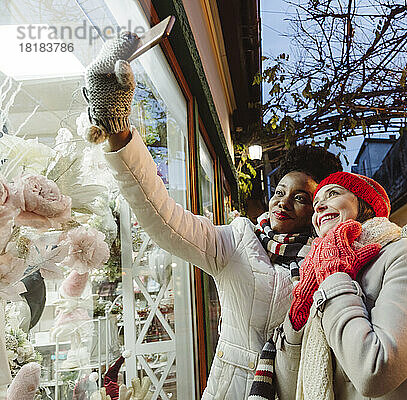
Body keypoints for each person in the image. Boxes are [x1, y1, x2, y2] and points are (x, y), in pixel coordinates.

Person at [81, 32, 342, 399]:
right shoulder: (237, 241)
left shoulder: (331, 259)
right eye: (280, 192)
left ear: (317, 208)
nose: (283, 203)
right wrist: (118, 130)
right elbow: (163, 217)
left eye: (300, 198)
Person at [270, 172, 407, 400]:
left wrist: (334, 277)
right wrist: (299, 313)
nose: (320, 206)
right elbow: (288, 388)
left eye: (333, 194)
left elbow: (375, 372)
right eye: (316, 202)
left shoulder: (405, 254)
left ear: (365, 204)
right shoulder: (317, 268)